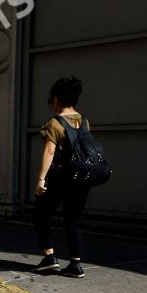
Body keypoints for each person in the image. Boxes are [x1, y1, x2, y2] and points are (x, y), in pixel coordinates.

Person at [32, 77, 93, 279]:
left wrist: (41, 179)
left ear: (57, 99)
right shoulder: (84, 120)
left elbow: (49, 152)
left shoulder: (55, 123)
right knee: (74, 219)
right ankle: (75, 264)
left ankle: (49, 257)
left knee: (42, 211)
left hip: (61, 177)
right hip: (81, 177)